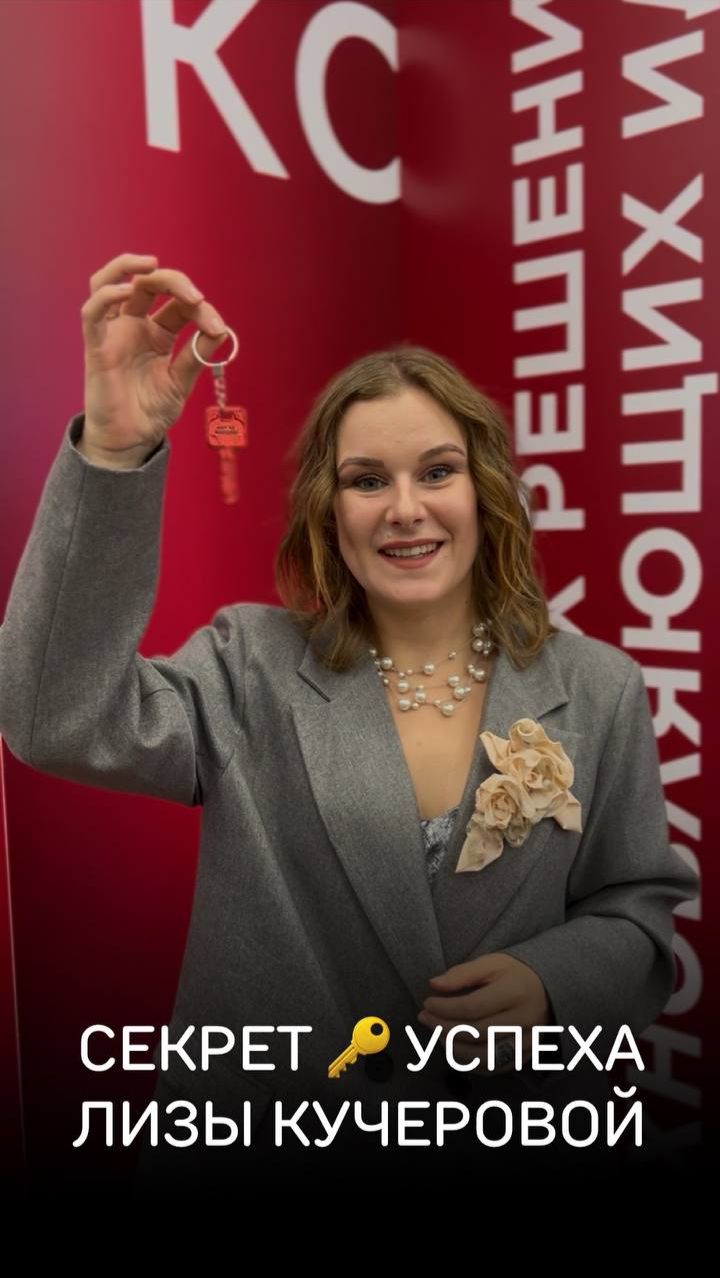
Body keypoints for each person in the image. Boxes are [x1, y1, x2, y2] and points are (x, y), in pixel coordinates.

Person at [0, 252, 698, 1196]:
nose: (405, 510)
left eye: (437, 471)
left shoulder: (600, 686)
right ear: (329, 512)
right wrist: (116, 448)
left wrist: (552, 983)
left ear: (485, 491)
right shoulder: (248, 664)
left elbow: (636, 907)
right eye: (367, 480)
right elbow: (52, 715)